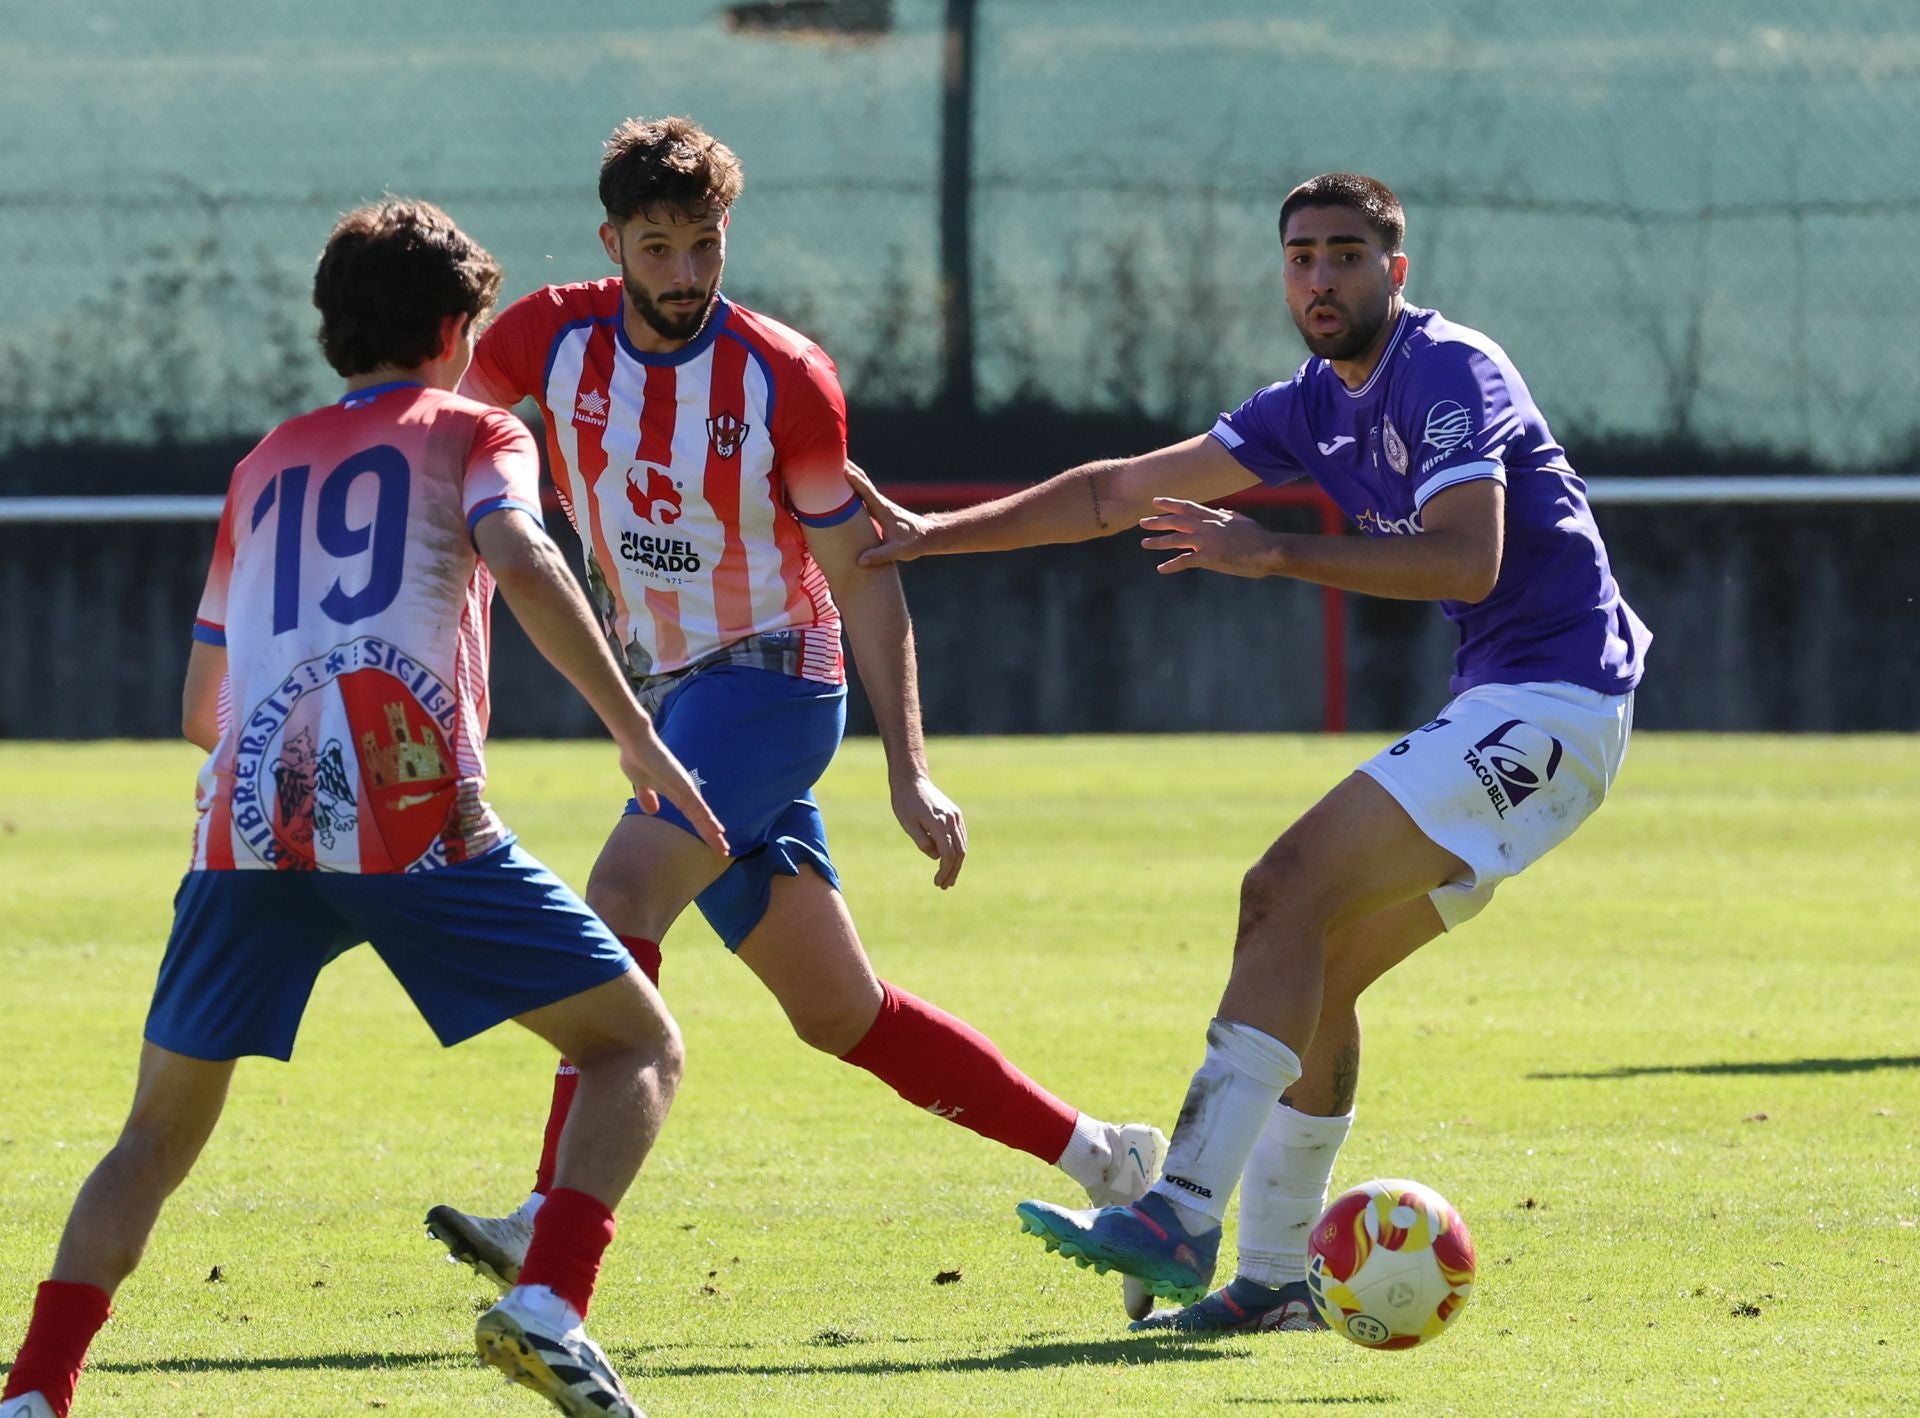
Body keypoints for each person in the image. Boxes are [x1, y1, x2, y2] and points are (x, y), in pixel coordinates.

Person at [848, 172, 1650, 1332]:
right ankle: (1275, 1281)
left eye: (1345, 255)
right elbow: (1115, 492)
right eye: (1301, 258)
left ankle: (1177, 1205)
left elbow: (1465, 560)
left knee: (1281, 887)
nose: (1320, 278)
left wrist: (1271, 549)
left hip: (1558, 702)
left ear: (1395, 269)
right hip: (1516, 707)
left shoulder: (1450, 370)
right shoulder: (1309, 404)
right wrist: (932, 537)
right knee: (1312, 962)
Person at [0, 200, 728, 1418]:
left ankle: (35, 1389)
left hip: (241, 821)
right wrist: (636, 728)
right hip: (410, 816)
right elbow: (525, 556)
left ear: (337, 329)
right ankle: (549, 1304)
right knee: (636, 1043)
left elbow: (200, 703)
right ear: (455, 329)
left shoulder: (263, 460)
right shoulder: (480, 430)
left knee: (153, 1140)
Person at [423, 115, 1164, 1293]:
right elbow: (442, 439)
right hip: (672, 698)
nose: (681, 274)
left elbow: (862, 579)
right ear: (610, 240)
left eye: (703, 246)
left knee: (618, 896)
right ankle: (1115, 1161)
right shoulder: (540, 339)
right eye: (655, 247)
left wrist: (906, 765)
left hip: (773, 682)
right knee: (841, 1013)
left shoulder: (784, 376)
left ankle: (552, 1227)